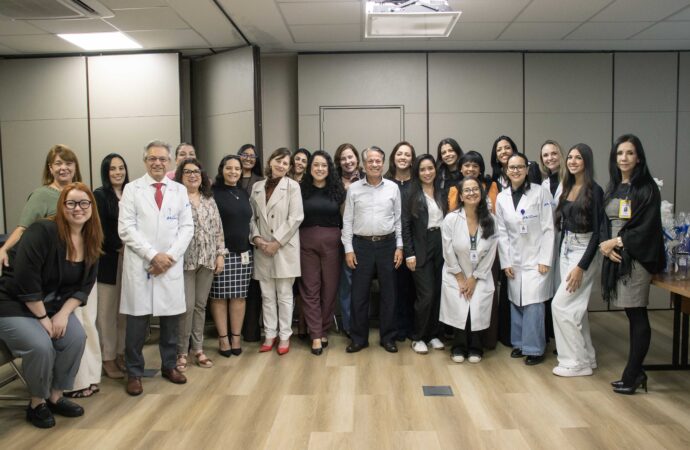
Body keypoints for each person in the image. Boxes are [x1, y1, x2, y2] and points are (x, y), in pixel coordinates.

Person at [0, 183, 102, 428]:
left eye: (84, 203)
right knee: (41, 346)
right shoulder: (42, 231)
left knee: (75, 338)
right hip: (13, 302)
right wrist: (43, 319)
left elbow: (84, 286)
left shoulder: (91, 238)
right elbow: (25, 279)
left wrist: (64, 314)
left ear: (91, 207)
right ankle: (37, 403)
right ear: (61, 206)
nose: (78, 208)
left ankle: (55, 396)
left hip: (52, 305)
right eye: (71, 203)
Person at [118, 140, 194, 396]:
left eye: (162, 159)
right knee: (137, 323)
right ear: (145, 161)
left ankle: (169, 366)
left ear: (170, 162)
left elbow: (187, 228)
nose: (158, 163)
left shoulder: (179, 190)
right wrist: (153, 256)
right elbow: (126, 228)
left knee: (170, 321)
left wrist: (168, 258)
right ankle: (134, 372)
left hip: (169, 265)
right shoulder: (132, 189)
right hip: (142, 264)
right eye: (152, 158)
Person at [600, 134, 665, 395]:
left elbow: (648, 228)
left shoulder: (647, 188)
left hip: (636, 259)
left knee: (637, 314)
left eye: (629, 153)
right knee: (631, 313)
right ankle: (636, 372)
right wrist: (606, 246)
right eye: (620, 153)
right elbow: (605, 221)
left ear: (639, 158)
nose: (624, 158)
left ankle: (632, 374)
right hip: (617, 255)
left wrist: (617, 241)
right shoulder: (614, 187)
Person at [342, 146, 403, 353]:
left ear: (383, 163)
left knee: (389, 294)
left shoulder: (393, 188)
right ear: (364, 164)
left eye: (378, 161)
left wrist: (400, 247)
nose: (375, 164)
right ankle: (359, 339)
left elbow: (398, 220)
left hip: (388, 245)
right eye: (370, 161)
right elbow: (347, 221)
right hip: (361, 246)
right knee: (359, 295)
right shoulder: (354, 189)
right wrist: (348, 249)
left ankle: (388, 338)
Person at [496, 153, 554, 365]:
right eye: (511, 167)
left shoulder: (540, 192)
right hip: (514, 259)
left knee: (534, 304)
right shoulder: (502, 197)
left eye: (520, 167)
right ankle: (520, 344)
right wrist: (506, 262)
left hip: (537, 257)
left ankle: (535, 349)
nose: (516, 171)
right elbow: (501, 232)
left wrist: (545, 259)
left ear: (527, 169)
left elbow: (549, 228)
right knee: (516, 302)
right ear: (506, 170)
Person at [551, 144, 604, 377]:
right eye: (570, 157)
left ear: (586, 162)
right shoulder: (567, 186)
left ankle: (575, 362)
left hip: (584, 250)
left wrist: (581, 266)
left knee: (560, 305)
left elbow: (598, 233)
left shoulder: (595, 190)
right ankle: (588, 356)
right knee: (576, 308)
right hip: (566, 247)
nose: (572, 161)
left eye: (578, 158)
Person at [250, 148, 304, 355]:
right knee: (267, 296)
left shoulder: (293, 187)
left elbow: (296, 218)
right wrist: (256, 238)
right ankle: (270, 334)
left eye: (285, 163)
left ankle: (284, 336)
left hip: (283, 248)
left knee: (284, 295)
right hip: (262, 248)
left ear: (289, 168)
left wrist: (276, 242)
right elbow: (251, 217)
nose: (281, 165)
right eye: (278, 160)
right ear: (270, 161)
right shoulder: (257, 187)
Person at [174, 159, 225, 371]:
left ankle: (198, 349)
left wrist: (220, 255)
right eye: (187, 172)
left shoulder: (209, 199)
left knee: (200, 306)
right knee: (186, 307)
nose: (192, 175)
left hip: (207, 259)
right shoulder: (175, 199)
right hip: (184, 261)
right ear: (181, 176)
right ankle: (181, 351)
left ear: (202, 176)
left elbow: (218, 229)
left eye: (196, 171)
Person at [440, 177, 498, 363]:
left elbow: (491, 252)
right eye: (467, 190)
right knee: (459, 307)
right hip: (455, 272)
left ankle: (475, 346)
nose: (472, 193)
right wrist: (460, 277)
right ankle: (458, 346)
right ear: (461, 196)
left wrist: (474, 278)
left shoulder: (491, 220)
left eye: (475, 189)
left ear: (481, 194)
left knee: (477, 308)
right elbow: (448, 250)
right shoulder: (451, 219)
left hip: (480, 273)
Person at [0, 144, 83, 267]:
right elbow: (22, 229)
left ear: (75, 166)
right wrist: (4, 249)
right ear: (50, 168)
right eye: (58, 163)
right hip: (52, 261)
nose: (63, 167)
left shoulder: (82, 194)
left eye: (68, 163)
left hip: (79, 256)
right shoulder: (41, 195)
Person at [299, 150, 345, 355]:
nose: (319, 169)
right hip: (306, 242)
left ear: (329, 168)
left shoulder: (338, 190)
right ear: (310, 168)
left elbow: (345, 218)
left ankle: (323, 328)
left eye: (324, 165)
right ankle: (316, 335)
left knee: (330, 289)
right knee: (310, 288)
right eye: (316, 165)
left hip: (333, 243)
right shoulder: (300, 190)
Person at [209, 155, 254, 357]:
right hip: (221, 254)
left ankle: (236, 337)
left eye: (237, 168)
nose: (233, 172)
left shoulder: (243, 193)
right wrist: (218, 252)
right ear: (222, 169)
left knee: (239, 297)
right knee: (219, 297)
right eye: (229, 168)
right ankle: (223, 339)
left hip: (243, 253)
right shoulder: (212, 193)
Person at [402, 154, 446, 354]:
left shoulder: (441, 192)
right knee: (426, 295)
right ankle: (418, 336)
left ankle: (433, 334)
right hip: (421, 245)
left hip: (441, 244)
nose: (427, 172)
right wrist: (409, 253)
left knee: (438, 292)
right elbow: (405, 226)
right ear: (417, 172)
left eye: (430, 168)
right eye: (422, 169)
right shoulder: (411, 194)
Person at [94, 153, 129, 379]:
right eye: (113, 168)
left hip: (131, 260)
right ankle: (107, 358)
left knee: (124, 312)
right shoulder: (99, 195)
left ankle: (120, 353)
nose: (118, 172)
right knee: (106, 313)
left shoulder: (131, 192)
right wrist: (119, 246)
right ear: (106, 173)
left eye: (121, 168)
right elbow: (99, 230)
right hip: (108, 260)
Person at [385, 141, 417, 342]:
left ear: (412, 159)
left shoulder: (418, 182)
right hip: (392, 243)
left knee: (414, 288)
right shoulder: (385, 181)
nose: (403, 157)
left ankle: (412, 326)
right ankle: (396, 327)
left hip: (416, 243)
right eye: (399, 154)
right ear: (393, 157)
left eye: (407, 154)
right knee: (395, 287)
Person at [489, 135, 517, 348]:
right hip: (499, 238)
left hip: (522, 238)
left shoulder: (527, 173)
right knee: (504, 284)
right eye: (499, 149)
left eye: (507, 147)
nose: (503, 152)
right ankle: (504, 333)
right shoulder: (494, 181)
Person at [334, 143, 364, 337]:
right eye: (343, 158)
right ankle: (348, 326)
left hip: (364, 238)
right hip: (341, 237)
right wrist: (347, 190)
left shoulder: (367, 177)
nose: (347, 161)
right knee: (347, 283)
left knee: (363, 284)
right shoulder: (334, 181)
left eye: (350, 157)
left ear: (357, 159)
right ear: (339, 162)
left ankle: (361, 323)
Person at [539, 140, 566, 346]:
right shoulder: (544, 184)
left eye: (554, 153)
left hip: (568, 238)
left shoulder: (570, 180)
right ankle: (555, 337)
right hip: (550, 238)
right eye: (546, 155)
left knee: (564, 291)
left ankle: (565, 341)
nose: (550, 158)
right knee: (551, 290)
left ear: (561, 155)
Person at [237, 143, 264, 343]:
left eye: (252, 156)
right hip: (235, 238)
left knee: (254, 288)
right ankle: (233, 331)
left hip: (255, 239)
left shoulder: (261, 181)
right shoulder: (231, 177)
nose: (248, 158)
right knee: (236, 288)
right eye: (244, 155)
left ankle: (252, 331)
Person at [436, 138, 463, 205]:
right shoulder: (438, 175)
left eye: (451, 150)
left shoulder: (466, 172)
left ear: (457, 152)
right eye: (443, 153)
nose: (447, 154)